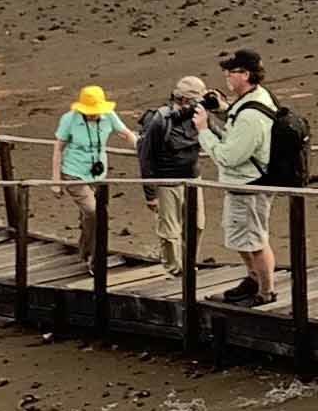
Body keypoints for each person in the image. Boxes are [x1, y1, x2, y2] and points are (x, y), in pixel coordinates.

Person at [203, 50, 287, 305]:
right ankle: (254, 281)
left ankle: (265, 292)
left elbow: (230, 156)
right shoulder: (256, 98)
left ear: (246, 74)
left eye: (232, 71)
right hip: (249, 183)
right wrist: (223, 110)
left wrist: (204, 131)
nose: (227, 76)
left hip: (249, 185)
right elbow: (239, 126)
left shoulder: (251, 115)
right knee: (245, 237)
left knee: (254, 240)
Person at [136, 75, 211, 278]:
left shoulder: (199, 116)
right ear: (184, 100)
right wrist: (150, 194)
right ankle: (174, 270)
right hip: (167, 182)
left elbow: (220, 134)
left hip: (193, 180)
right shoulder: (160, 120)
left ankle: (189, 264)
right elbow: (146, 157)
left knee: (197, 225)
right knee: (170, 232)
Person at [53, 84, 135, 253]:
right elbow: (58, 148)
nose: (93, 114)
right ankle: (92, 254)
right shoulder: (69, 119)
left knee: (90, 215)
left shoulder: (109, 116)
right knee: (93, 211)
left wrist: (142, 149)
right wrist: (55, 181)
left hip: (98, 175)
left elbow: (126, 134)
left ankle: (85, 249)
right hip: (74, 172)